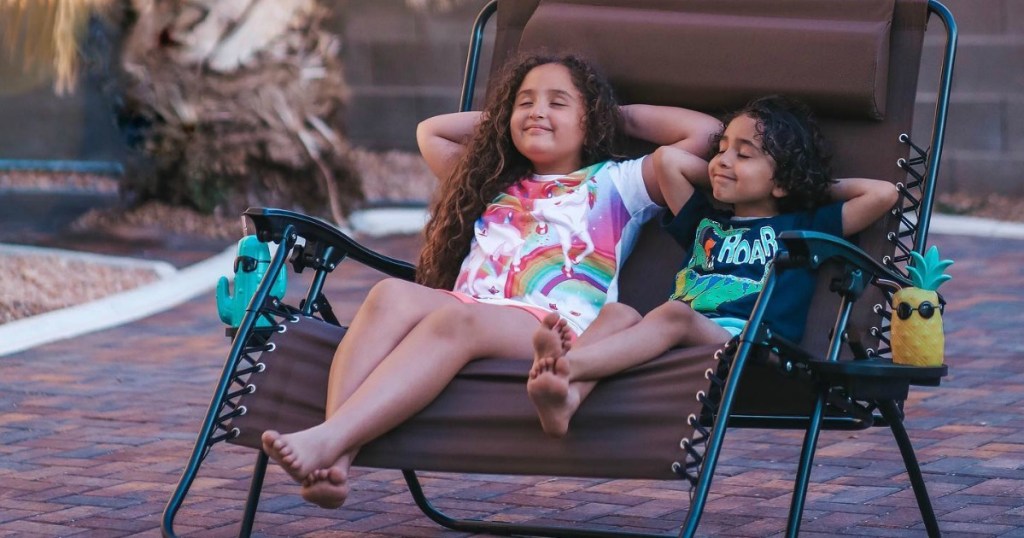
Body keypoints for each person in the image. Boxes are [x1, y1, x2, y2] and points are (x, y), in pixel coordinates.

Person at [260, 52, 721, 508]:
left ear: (590, 120)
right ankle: (335, 458)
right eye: (525, 102)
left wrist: (611, 114)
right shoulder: (491, 181)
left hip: (553, 326)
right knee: (388, 296)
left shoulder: (618, 183)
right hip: (469, 308)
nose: (538, 110)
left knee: (459, 323)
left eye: (558, 103)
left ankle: (329, 438)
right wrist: (515, 115)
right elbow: (430, 131)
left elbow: (704, 133)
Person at [527, 95, 900, 437]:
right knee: (618, 314)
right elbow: (666, 160)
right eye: (721, 151)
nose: (723, 160)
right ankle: (565, 397)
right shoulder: (705, 223)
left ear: (782, 179)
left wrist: (802, 184)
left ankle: (568, 365)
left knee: (674, 314)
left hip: (754, 350)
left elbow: (883, 194)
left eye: (744, 154)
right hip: (684, 342)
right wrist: (728, 173)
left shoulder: (803, 228)